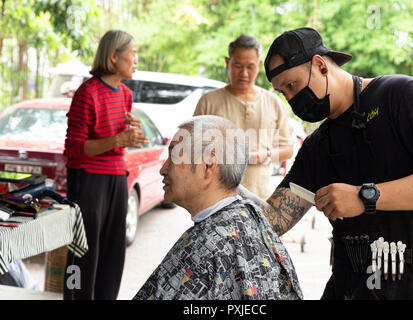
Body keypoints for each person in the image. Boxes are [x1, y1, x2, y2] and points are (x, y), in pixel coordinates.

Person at [238, 27, 413, 300]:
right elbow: (274, 220)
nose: (291, 99)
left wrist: (365, 197)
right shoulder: (318, 147)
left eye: (292, 86)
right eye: (282, 93)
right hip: (353, 287)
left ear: (320, 65)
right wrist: (224, 187)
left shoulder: (401, 95)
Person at [133, 115, 302, 300]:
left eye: (173, 157)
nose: (163, 169)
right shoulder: (247, 217)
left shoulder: (213, 244)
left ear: (208, 165)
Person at [63, 30, 149, 300]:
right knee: (82, 253)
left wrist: (130, 133)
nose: (136, 59)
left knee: (114, 252)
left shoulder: (125, 94)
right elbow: (74, 150)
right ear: (114, 56)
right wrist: (118, 138)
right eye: (132, 53)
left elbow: (117, 140)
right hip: (88, 181)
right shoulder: (87, 93)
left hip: (116, 179)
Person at [194, 34, 293, 200]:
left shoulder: (273, 102)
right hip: (216, 201)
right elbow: (194, 150)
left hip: (260, 199)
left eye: (250, 67)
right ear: (227, 63)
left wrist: (266, 155)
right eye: (238, 66)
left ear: (260, 65)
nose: (244, 73)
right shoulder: (208, 102)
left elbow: (287, 150)